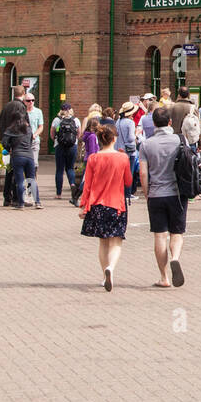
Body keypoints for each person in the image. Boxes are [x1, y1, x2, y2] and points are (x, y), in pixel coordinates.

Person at [78, 124, 132, 292]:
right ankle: (111, 269)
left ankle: (104, 275)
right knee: (116, 241)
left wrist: (84, 206)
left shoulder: (93, 158)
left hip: (97, 205)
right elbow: (129, 181)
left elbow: (87, 185)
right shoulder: (123, 158)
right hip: (117, 204)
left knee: (103, 242)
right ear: (114, 138)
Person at [138, 107, 186, 288]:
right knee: (177, 233)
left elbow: (143, 173)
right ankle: (175, 258)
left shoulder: (146, 144)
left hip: (156, 194)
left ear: (153, 124)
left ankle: (164, 277)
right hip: (178, 194)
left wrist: (147, 193)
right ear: (170, 122)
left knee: (160, 235)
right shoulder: (180, 140)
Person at [0, 86, 29, 207]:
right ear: (24, 93)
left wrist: (5, 136)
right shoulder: (20, 107)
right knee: (17, 171)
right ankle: (16, 198)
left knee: (9, 171)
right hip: (16, 144)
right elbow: (24, 125)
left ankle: (7, 198)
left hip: (6, 143)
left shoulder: (7, 106)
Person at [5, 107, 35, 210]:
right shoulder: (29, 129)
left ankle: (20, 203)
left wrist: (9, 148)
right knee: (31, 179)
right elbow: (30, 141)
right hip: (30, 156)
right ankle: (36, 201)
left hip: (17, 156)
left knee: (19, 181)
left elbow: (5, 142)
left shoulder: (12, 129)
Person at [72, 115, 101, 206]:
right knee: (87, 180)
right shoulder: (92, 136)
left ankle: (76, 195)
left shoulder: (88, 135)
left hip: (87, 159)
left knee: (86, 180)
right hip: (90, 160)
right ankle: (76, 196)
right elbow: (93, 150)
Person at [52, 104, 79, 200]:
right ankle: (72, 184)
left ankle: (58, 194)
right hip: (72, 146)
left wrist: (56, 140)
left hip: (60, 146)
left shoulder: (57, 120)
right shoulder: (76, 120)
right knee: (70, 168)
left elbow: (52, 133)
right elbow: (78, 134)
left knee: (59, 170)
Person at [24, 91, 45, 210]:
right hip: (24, 143)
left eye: (32, 100)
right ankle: (27, 192)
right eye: (28, 100)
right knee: (26, 167)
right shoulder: (22, 112)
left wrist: (35, 134)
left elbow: (41, 126)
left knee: (34, 166)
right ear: (24, 102)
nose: (31, 102)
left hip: (34, 142)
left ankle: (31, 190)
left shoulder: (38, 112)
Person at [117, 102, 140, 200]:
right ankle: (128, 194)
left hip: (119, 149)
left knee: (120, 173)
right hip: (129, 151)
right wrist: (136, 135)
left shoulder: (118, 121)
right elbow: (130, 138)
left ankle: (120, 192)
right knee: (129, 173)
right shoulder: (130, 122)